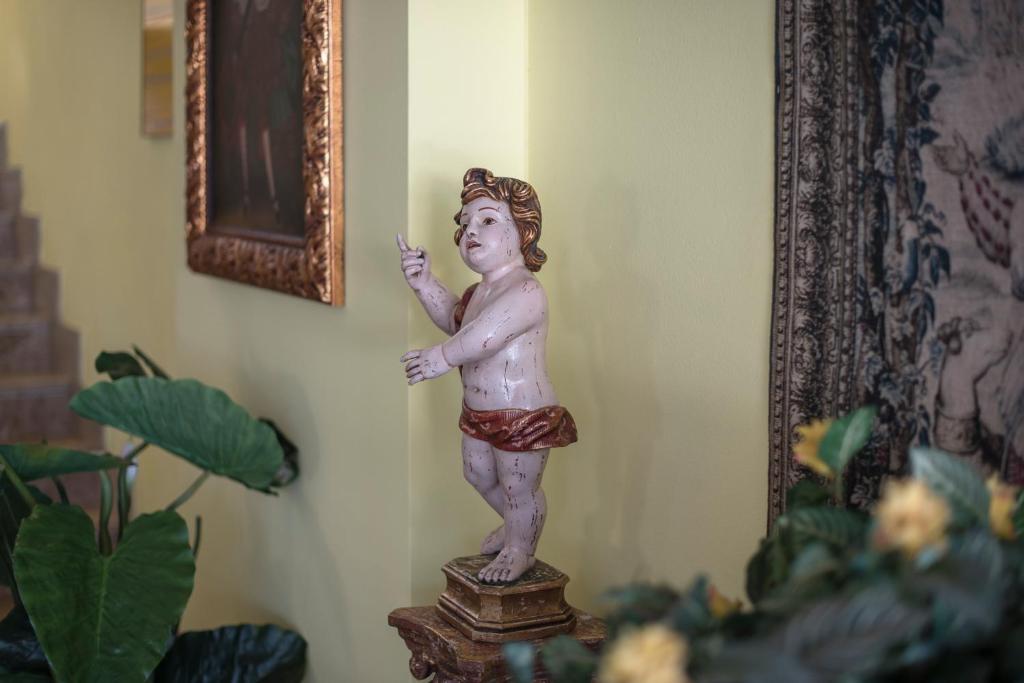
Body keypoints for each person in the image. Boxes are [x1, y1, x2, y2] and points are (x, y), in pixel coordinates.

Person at [397, 168, 577, 584]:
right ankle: (519, 527)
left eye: (488, 220)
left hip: (521, 412)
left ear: (523, 232)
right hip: (478, 411)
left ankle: (520, 548)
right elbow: (456, 321)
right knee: (477, 474)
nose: (470, 231)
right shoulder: (480, 292)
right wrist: (424, 283)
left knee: (518, 487)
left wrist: (442, 357)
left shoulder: (526, 292)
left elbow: (484, 336)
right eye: (465, 224)